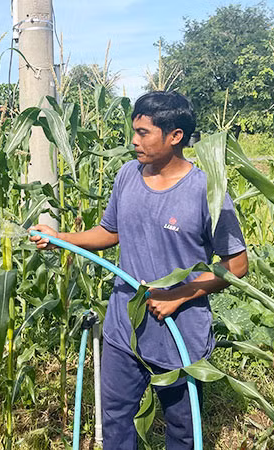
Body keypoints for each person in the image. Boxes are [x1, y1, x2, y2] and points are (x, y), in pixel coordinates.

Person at [29, 91, 248, 449]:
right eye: (134, 131)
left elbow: (236, 264)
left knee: (182, 429)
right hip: (123, 326)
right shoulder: (127, 175)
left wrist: (178, 295)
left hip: (179, 333)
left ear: (175, 136)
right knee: (115, 419)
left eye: (144, 133)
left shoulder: (207, 190)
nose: (134, 141)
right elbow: (110, 232)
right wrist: (60, 238)